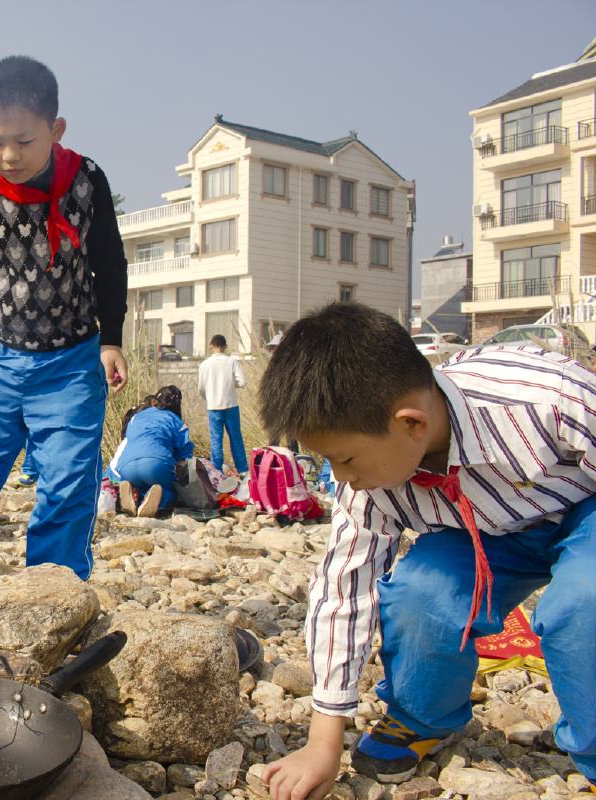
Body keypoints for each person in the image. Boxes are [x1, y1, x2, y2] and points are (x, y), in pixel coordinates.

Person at [257, 301, 596, 797]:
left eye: (345, 458)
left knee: (583, 602)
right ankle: (422, 715)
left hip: (582, 510)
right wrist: (324, 741)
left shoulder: (545, 400)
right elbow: (344, 591)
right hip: (483, 533)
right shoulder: (367, 485)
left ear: (412, 424)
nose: (341, 477)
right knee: (422, 593)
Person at [0, 56, 128, 578]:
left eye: (24, 142)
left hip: (72, 361)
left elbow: (109, 264)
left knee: (68, 481)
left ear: (56, 129)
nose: (9, 156)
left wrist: (110, 339)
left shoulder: (87, 182)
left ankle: (55, 589)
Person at [107, 386, 193, 518]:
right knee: (173, 492)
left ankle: (135, 495)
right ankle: (160, 497)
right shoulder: (177, 422)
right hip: (155, 466)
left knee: (141, 483)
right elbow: (183, 460)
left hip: (126, 467)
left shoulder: (136, 417)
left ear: (154, 402)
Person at [198, 334, 248, 475]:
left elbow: (201, 389)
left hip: (214, 406)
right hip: (231, 404)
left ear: (210, 345)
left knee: (216, 441)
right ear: (225, 346)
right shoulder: (232, 361)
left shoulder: (205, 364)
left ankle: (217, 471)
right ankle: (243, 470)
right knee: (235, 438)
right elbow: (242, 382)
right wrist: (232, 385)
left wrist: (209, 398)